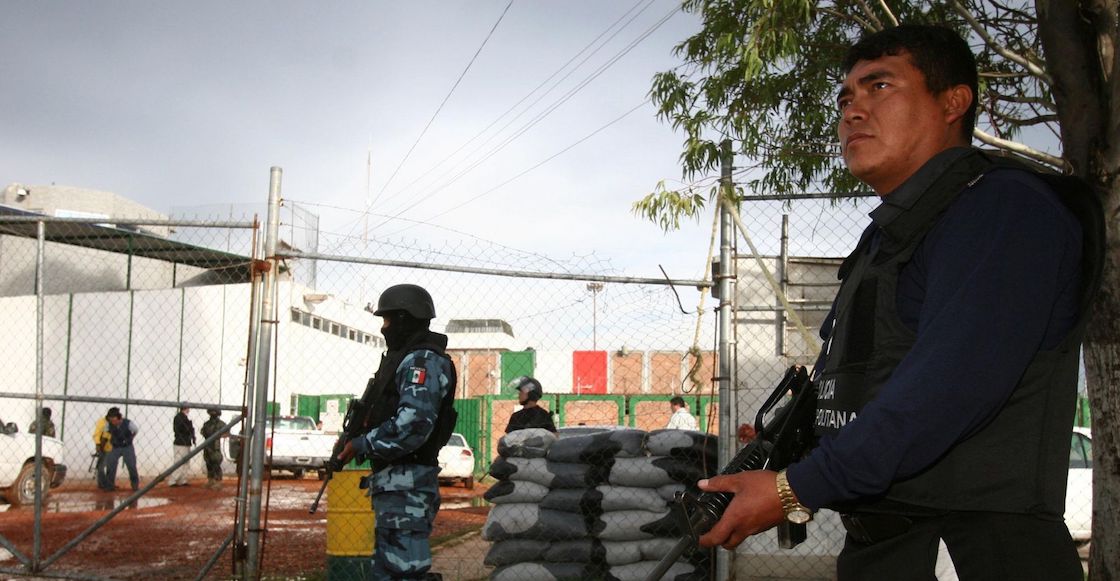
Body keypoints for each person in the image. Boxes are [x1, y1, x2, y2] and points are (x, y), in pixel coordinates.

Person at [695, 24, 1103, 581]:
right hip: (890, 550)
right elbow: (869, 385)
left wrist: (794, 489)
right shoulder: (889, 236)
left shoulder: (1003, 210)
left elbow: (947, 389)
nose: (853, 112)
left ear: (953, 102)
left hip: (969, 554)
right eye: (845, 99)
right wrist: (785, 458)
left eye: (880, 87)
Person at [336, 284, 457, 580]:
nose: (384, 327)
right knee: (390, 572)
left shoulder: (421, 361)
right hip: (397, 485)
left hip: (408, 486)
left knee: (405, 572)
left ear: (404, 318)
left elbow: (413, 425)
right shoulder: (404, 359)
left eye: (387, 319)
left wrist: (362, 444)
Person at [104, 409, 141, 492]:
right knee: (110, 465)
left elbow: (136, 430)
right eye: (111, 420)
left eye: (114, 420)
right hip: (115, 446)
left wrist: (130, 438)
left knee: (131, 466)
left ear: (119, 418)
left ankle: (135, 486)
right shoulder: (108, 424)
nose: (113, 422)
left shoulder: (128, 423)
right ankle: (109, 486)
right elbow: (106, 432)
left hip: (127, 446)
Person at [200, 408, 227, 489]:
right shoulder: (207, 423)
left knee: (216, 463)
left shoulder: (221, 424)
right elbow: (202, 432)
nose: (212, 413)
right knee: (208, 462)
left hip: (215, 446)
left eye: (214, 412)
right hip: (207, 445)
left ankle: (218, 481)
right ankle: (211, 480)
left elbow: (226, 433)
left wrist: (220, 435)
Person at [169, 405, 196, 487]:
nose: (189, 410)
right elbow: (182, 429)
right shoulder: (179, 418)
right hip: (180, 443)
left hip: (185, 442)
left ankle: (182, 480)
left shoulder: (183, 417)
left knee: (185, 462)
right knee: (179, 461)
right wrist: (189, 428)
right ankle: (173, 480)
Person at [92, 406, 118, 491]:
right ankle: (102, 484)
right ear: (110, 416)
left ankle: (109, 483)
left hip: (112, 447)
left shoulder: (115, 422)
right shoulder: (102, 422)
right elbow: (97, 434)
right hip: (103, 446)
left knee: (111, 467)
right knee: (101, 466)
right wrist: (98, 444)